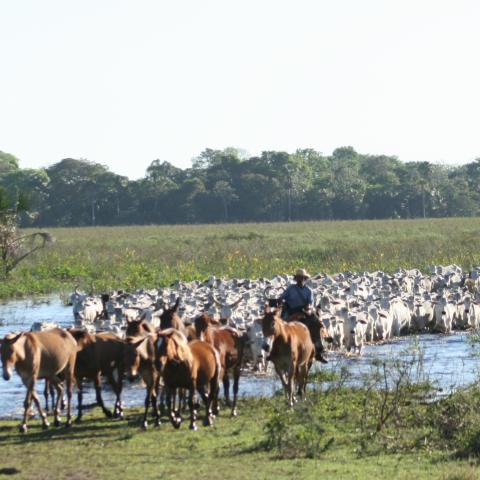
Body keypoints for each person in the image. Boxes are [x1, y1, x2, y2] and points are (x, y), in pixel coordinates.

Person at [280, 268, 328, 364]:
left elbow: (310, 303)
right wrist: (278, 300)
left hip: (305, 311)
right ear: (296, 278)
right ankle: (274, 350)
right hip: (290, 311)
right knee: (279, 325)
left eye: (302, 278)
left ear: (304, 278)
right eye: (298, 277)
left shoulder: (308, 290)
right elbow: (282, 297)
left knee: (317, 324)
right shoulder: (290, 289)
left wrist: (308, 308)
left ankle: (319, 350)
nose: (300, 279)